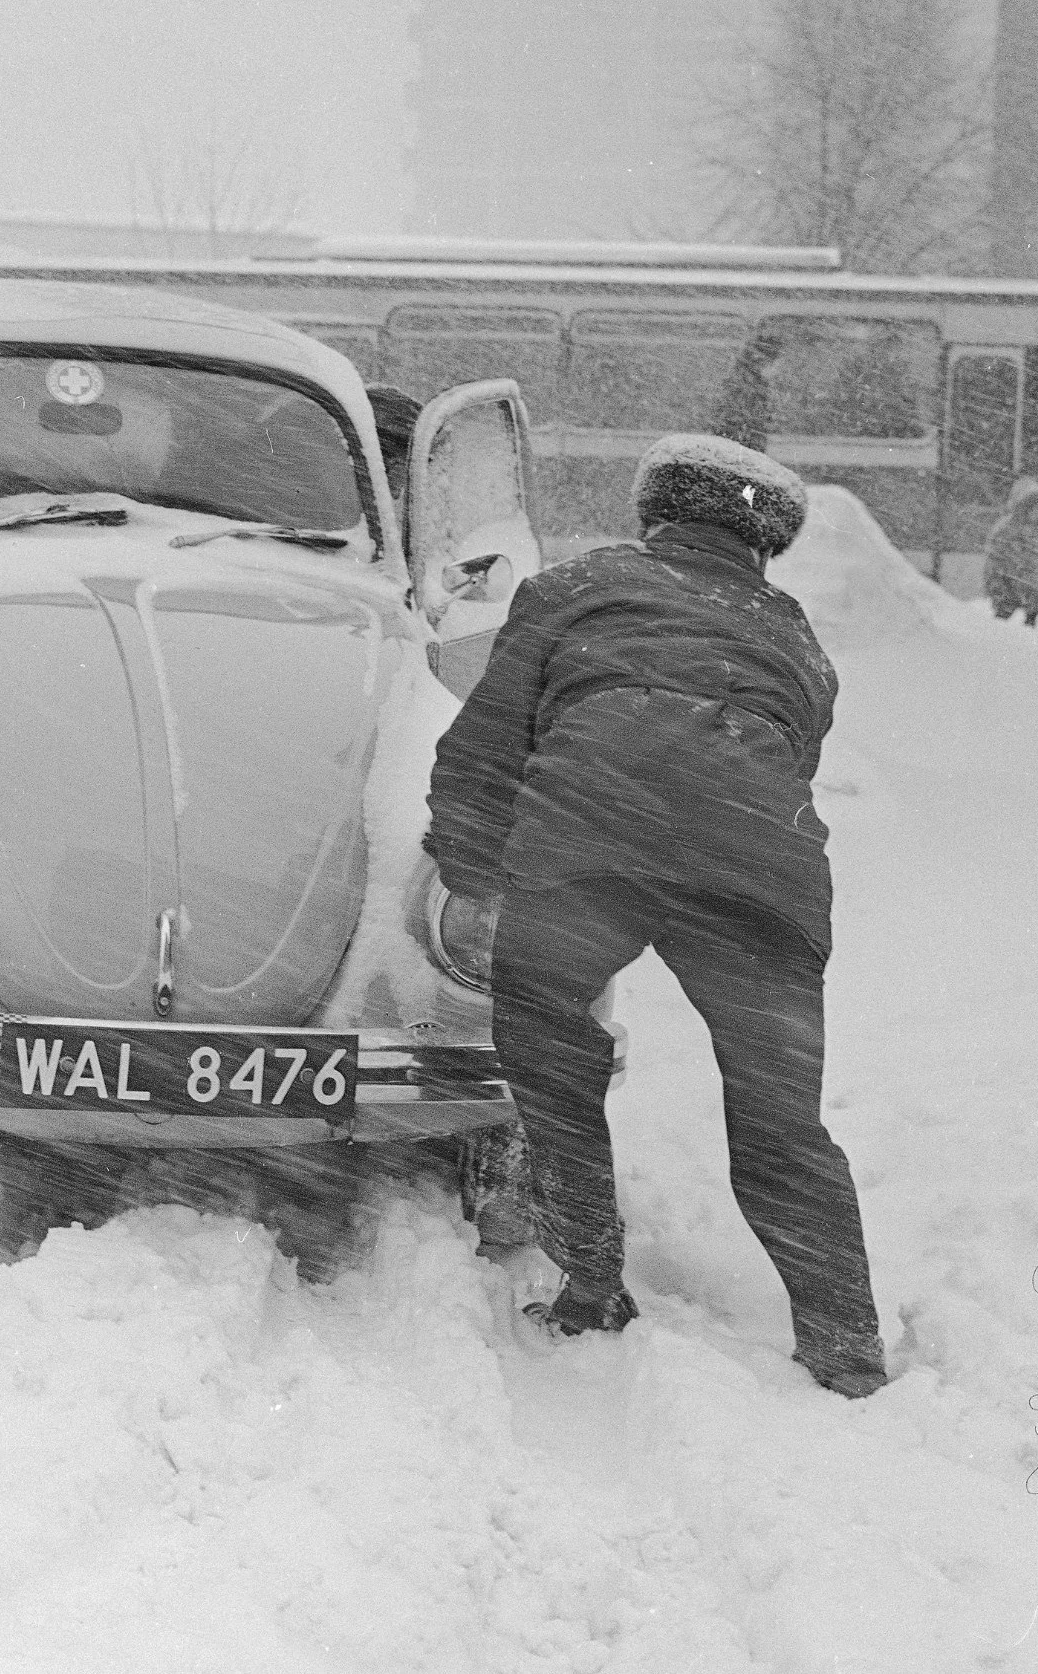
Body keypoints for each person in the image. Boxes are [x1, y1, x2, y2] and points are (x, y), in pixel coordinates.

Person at [423, 433, 889, 1398]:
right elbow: (792, 752)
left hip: (592, 839)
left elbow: (485, 746)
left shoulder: (575, 587)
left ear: (655, 517)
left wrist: (471, 875)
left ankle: (590, 1282)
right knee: (781, 1123)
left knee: (551, 1053)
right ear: (763, 546)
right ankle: (846, 1350)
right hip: (758, 869)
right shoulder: (793, 634)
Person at [982, 476, 1038, 626]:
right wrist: (996, 584)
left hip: (1031, 590)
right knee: (1002, 619)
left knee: (1031, 620)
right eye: (1033, 507)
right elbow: (994, 560)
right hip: (1008, 586)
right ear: (1024, 506)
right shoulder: (1005, 529)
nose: (1037, 512)